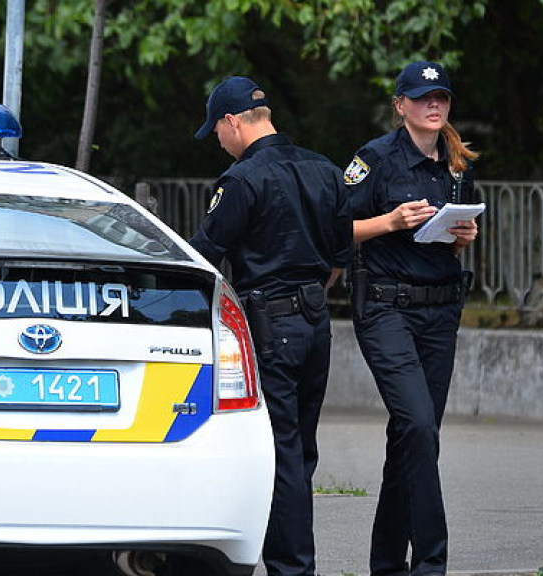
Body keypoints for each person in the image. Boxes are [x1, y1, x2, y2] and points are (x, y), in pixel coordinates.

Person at [188, 76, 352, 576]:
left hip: (270, 323)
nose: (217, 141)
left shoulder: (241, 180)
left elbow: (204, 260)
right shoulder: (326, 171)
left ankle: (292, 568)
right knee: (301, 451)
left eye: (216, 130)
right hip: (315, 322)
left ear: (233, 121)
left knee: (279, 453)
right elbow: (338, 258)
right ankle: (295, 563)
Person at [344, 60, 480, 576]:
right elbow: (335, 230)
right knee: (419, 426)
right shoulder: (373, 159)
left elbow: (459, 227)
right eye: (423, 98)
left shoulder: (457, 163)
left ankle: (386, 564)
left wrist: (465, 235)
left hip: (440, 309)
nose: (434, 106)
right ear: (400, 105)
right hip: (385, 309)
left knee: (414, 436)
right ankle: (430, 562)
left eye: (441, 97)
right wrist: (389, 221)